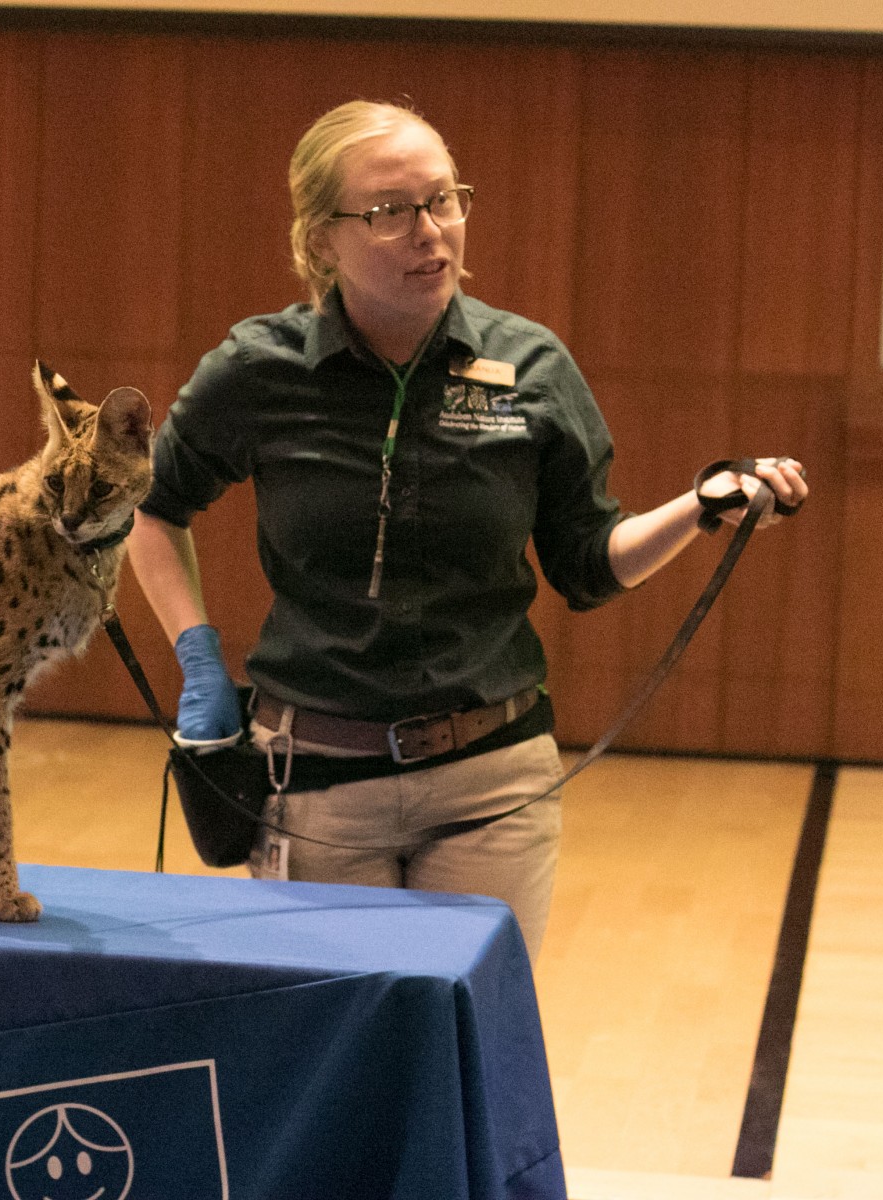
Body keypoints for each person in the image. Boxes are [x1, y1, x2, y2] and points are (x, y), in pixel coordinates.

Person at [126, 100, 807, 959]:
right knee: (348, 1057)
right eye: (390, 211)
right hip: (319, 785)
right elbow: (150, 507)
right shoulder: (260, 371)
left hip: (494, 784)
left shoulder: (531, 366)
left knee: (475, 1047)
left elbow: (590, 565)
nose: (430, 231)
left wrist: (700, 505)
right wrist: (196, 658)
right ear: (322, 236)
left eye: (444, 200)